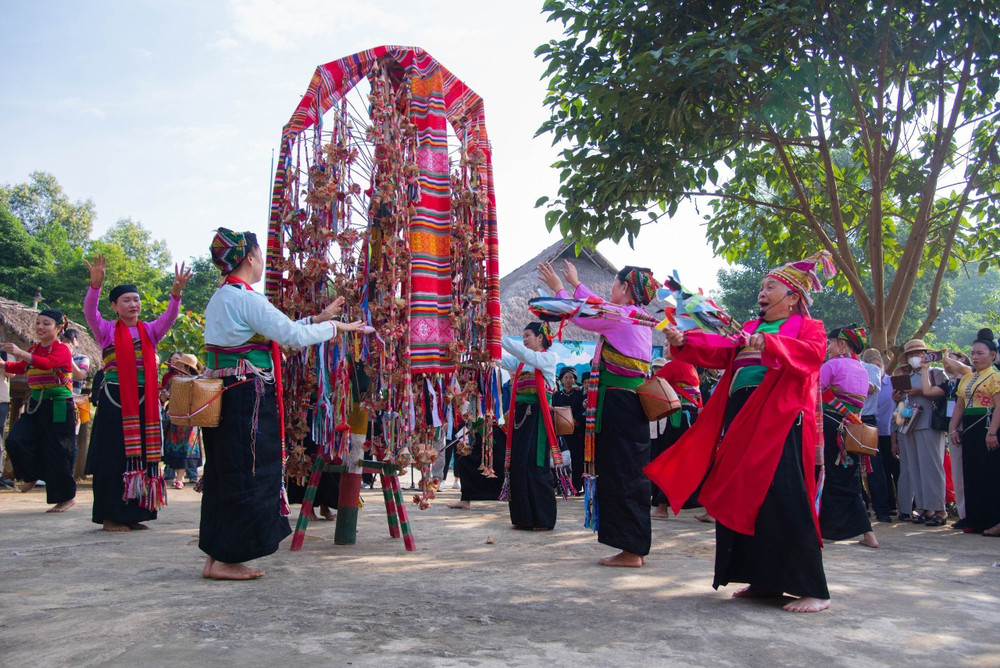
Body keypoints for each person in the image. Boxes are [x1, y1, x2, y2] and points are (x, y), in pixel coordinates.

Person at [646, 251, 835, 613]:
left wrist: (772, 343)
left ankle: (815, 589)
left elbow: (813, 355)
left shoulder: (808, 326)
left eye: (771, 287)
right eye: (762, 287)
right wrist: (683, 341)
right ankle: (763, 581)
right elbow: (719, 351)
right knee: (745, 495)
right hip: (740, 415)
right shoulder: (748, 328)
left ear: (793, 297)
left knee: (784, 496)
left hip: (779, 417)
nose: (762, 292)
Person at [199, 227, 365, 580]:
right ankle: (228, 560)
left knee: (224, 473)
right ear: (250, 257)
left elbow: (279, 331)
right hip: (246, 395)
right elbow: (291, 336)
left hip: (228, 391)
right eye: (260, 254)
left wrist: (317, 321)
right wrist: (334, 327)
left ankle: (216, 557)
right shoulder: (246, 299)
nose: (262, 260)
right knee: (249, 471)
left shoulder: (223, 297)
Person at [538, 260, 656, 568]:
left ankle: (631, 551)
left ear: (625, 288)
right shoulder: (636, 317)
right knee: (630, 473)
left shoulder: (621, 316)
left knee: (621, 474)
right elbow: (596, 304)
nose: (610, 289)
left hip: (620, 405)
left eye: (614, 284)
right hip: (629, 404)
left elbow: (584, 314)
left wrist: (560, 289)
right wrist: (576, 284)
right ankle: (635, 547)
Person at [83, 255, 190, 531]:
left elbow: (169, 318)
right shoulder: (105, 330)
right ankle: (110, 517)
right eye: (126, 300)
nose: (133, 304)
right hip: (114, 401)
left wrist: (175, 294)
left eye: (136, 299)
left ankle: (133, 514)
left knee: (141, 457)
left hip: (145, 402)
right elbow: (89, 312)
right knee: (113, 457)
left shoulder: (150, 331)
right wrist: (95, 286)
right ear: (114, 306)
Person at [0, 309, 77, 512]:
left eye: (46, 323)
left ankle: (66, 498)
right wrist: (4, 364)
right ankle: (31, 474)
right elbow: (21, 367)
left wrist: (20, 352)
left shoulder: (62, 349)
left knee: (58, 452)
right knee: (15, 440)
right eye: (38, 323)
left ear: (58, 328)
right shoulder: (34, 349)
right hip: (36, 405)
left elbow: (47, 364)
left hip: (59, 405)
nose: (40, 327)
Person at [818, 327, 878, 548]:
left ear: (842, 344)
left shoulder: (832, 365)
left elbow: (812, 391)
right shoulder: (862, 369)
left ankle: (825, 530)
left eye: (831, 343)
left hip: (831, 427)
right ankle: (868, 534)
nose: (828, 348)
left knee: (827, 477)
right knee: (850, 481)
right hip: (851, 431)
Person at [499, 322, 560, 531]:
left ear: (540, 337)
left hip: (539, 418)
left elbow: (526, 356)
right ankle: (522, 518)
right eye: (523, 336)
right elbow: (498, 360)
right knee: (518, 464)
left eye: (527, 336)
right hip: (521, 418)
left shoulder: (548, 358)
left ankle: (543, 519)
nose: (524, 340)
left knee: (536, 464)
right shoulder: (521, 363)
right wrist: (485, 344)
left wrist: (499, 336)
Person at [943, 330, 1000, 535]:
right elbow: (960, 405)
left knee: (990, 475)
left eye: (980, 353)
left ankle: (994, 521)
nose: (975, 357)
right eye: (973, 353)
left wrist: (992, 432)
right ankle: (975, 520)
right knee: (971, 474)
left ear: (993, 355)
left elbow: (999, 406)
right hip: (969, 428)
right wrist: (953, 429)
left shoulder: (995, 377)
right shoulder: (967, 378)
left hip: (987, 426)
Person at [892, 339, 948, 525]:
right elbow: (903, 405)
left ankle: (939, 509)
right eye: (911, 354)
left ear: (926, 354)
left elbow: (943, 395)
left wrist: (921, 391)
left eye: (918, 352)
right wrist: (897, 398)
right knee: (915, 469)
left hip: (929, 424)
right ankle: (924, 508)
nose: (915, 356)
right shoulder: (906, 377)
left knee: (932, 467)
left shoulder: (936, 373)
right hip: (909, 425)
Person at [649, 353, 702, 519]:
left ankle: (662, 507)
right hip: (692, 415)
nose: (666, 349)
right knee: (688, 461)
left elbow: (653, 384)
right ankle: (709, 508)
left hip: (678, 417)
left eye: (667, 345)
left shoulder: (674, 365)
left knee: (667, 459)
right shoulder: (691, 367)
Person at [160, 353, 203, 489]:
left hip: (189, 419)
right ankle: (179, 477)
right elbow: (163, 399)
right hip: (174, 418)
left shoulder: (197, 381)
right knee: (175, 448)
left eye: (181, 365)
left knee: (185, 449)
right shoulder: (173, 380)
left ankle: (180, 478)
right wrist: (164, 395)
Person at [550, 366, 585, 494]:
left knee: (577, 459)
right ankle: (562, 487)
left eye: (571, 377)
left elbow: (583, 410)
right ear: (561, 380)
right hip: (562, 432)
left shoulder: (579, 394)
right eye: (566, 377)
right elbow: (553, 410)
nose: (569, 380)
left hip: (576, 431)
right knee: (561, 459)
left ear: (575, 380)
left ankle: (577, 487)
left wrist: (577, 420)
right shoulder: (557, 395)